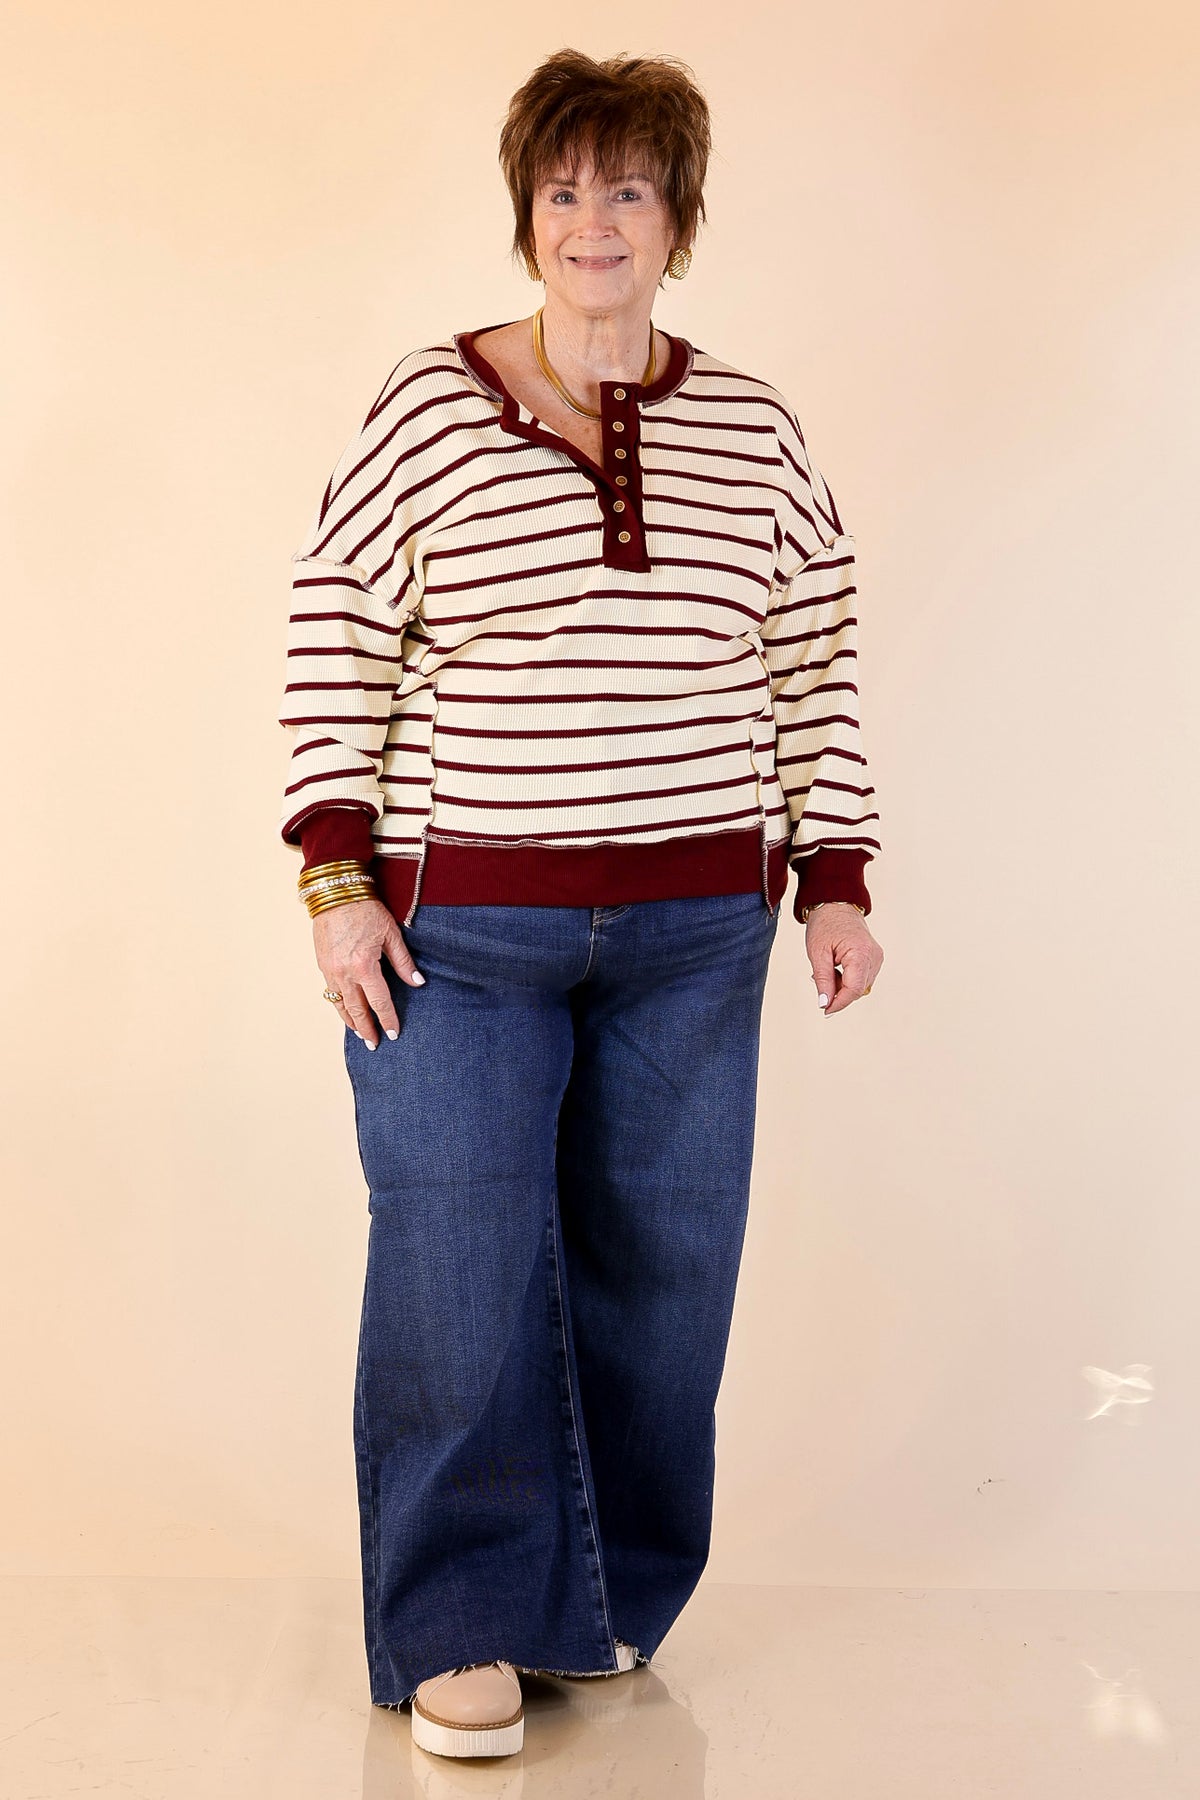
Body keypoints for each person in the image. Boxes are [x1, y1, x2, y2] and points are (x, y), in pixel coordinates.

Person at [276, 47, 884, 1760]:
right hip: (459, 933)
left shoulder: (755, 427)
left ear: (678, 217)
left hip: (696, 935)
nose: (592, 220)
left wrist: (834, 877)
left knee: (665, 1274)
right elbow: (334, 631)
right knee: (458, 1258)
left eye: (627, 187)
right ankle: (459, 1619)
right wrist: (335, 881)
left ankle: (602, 1594)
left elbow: (815, 659)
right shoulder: (427, 404)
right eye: (562, 189)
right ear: (525, 214)